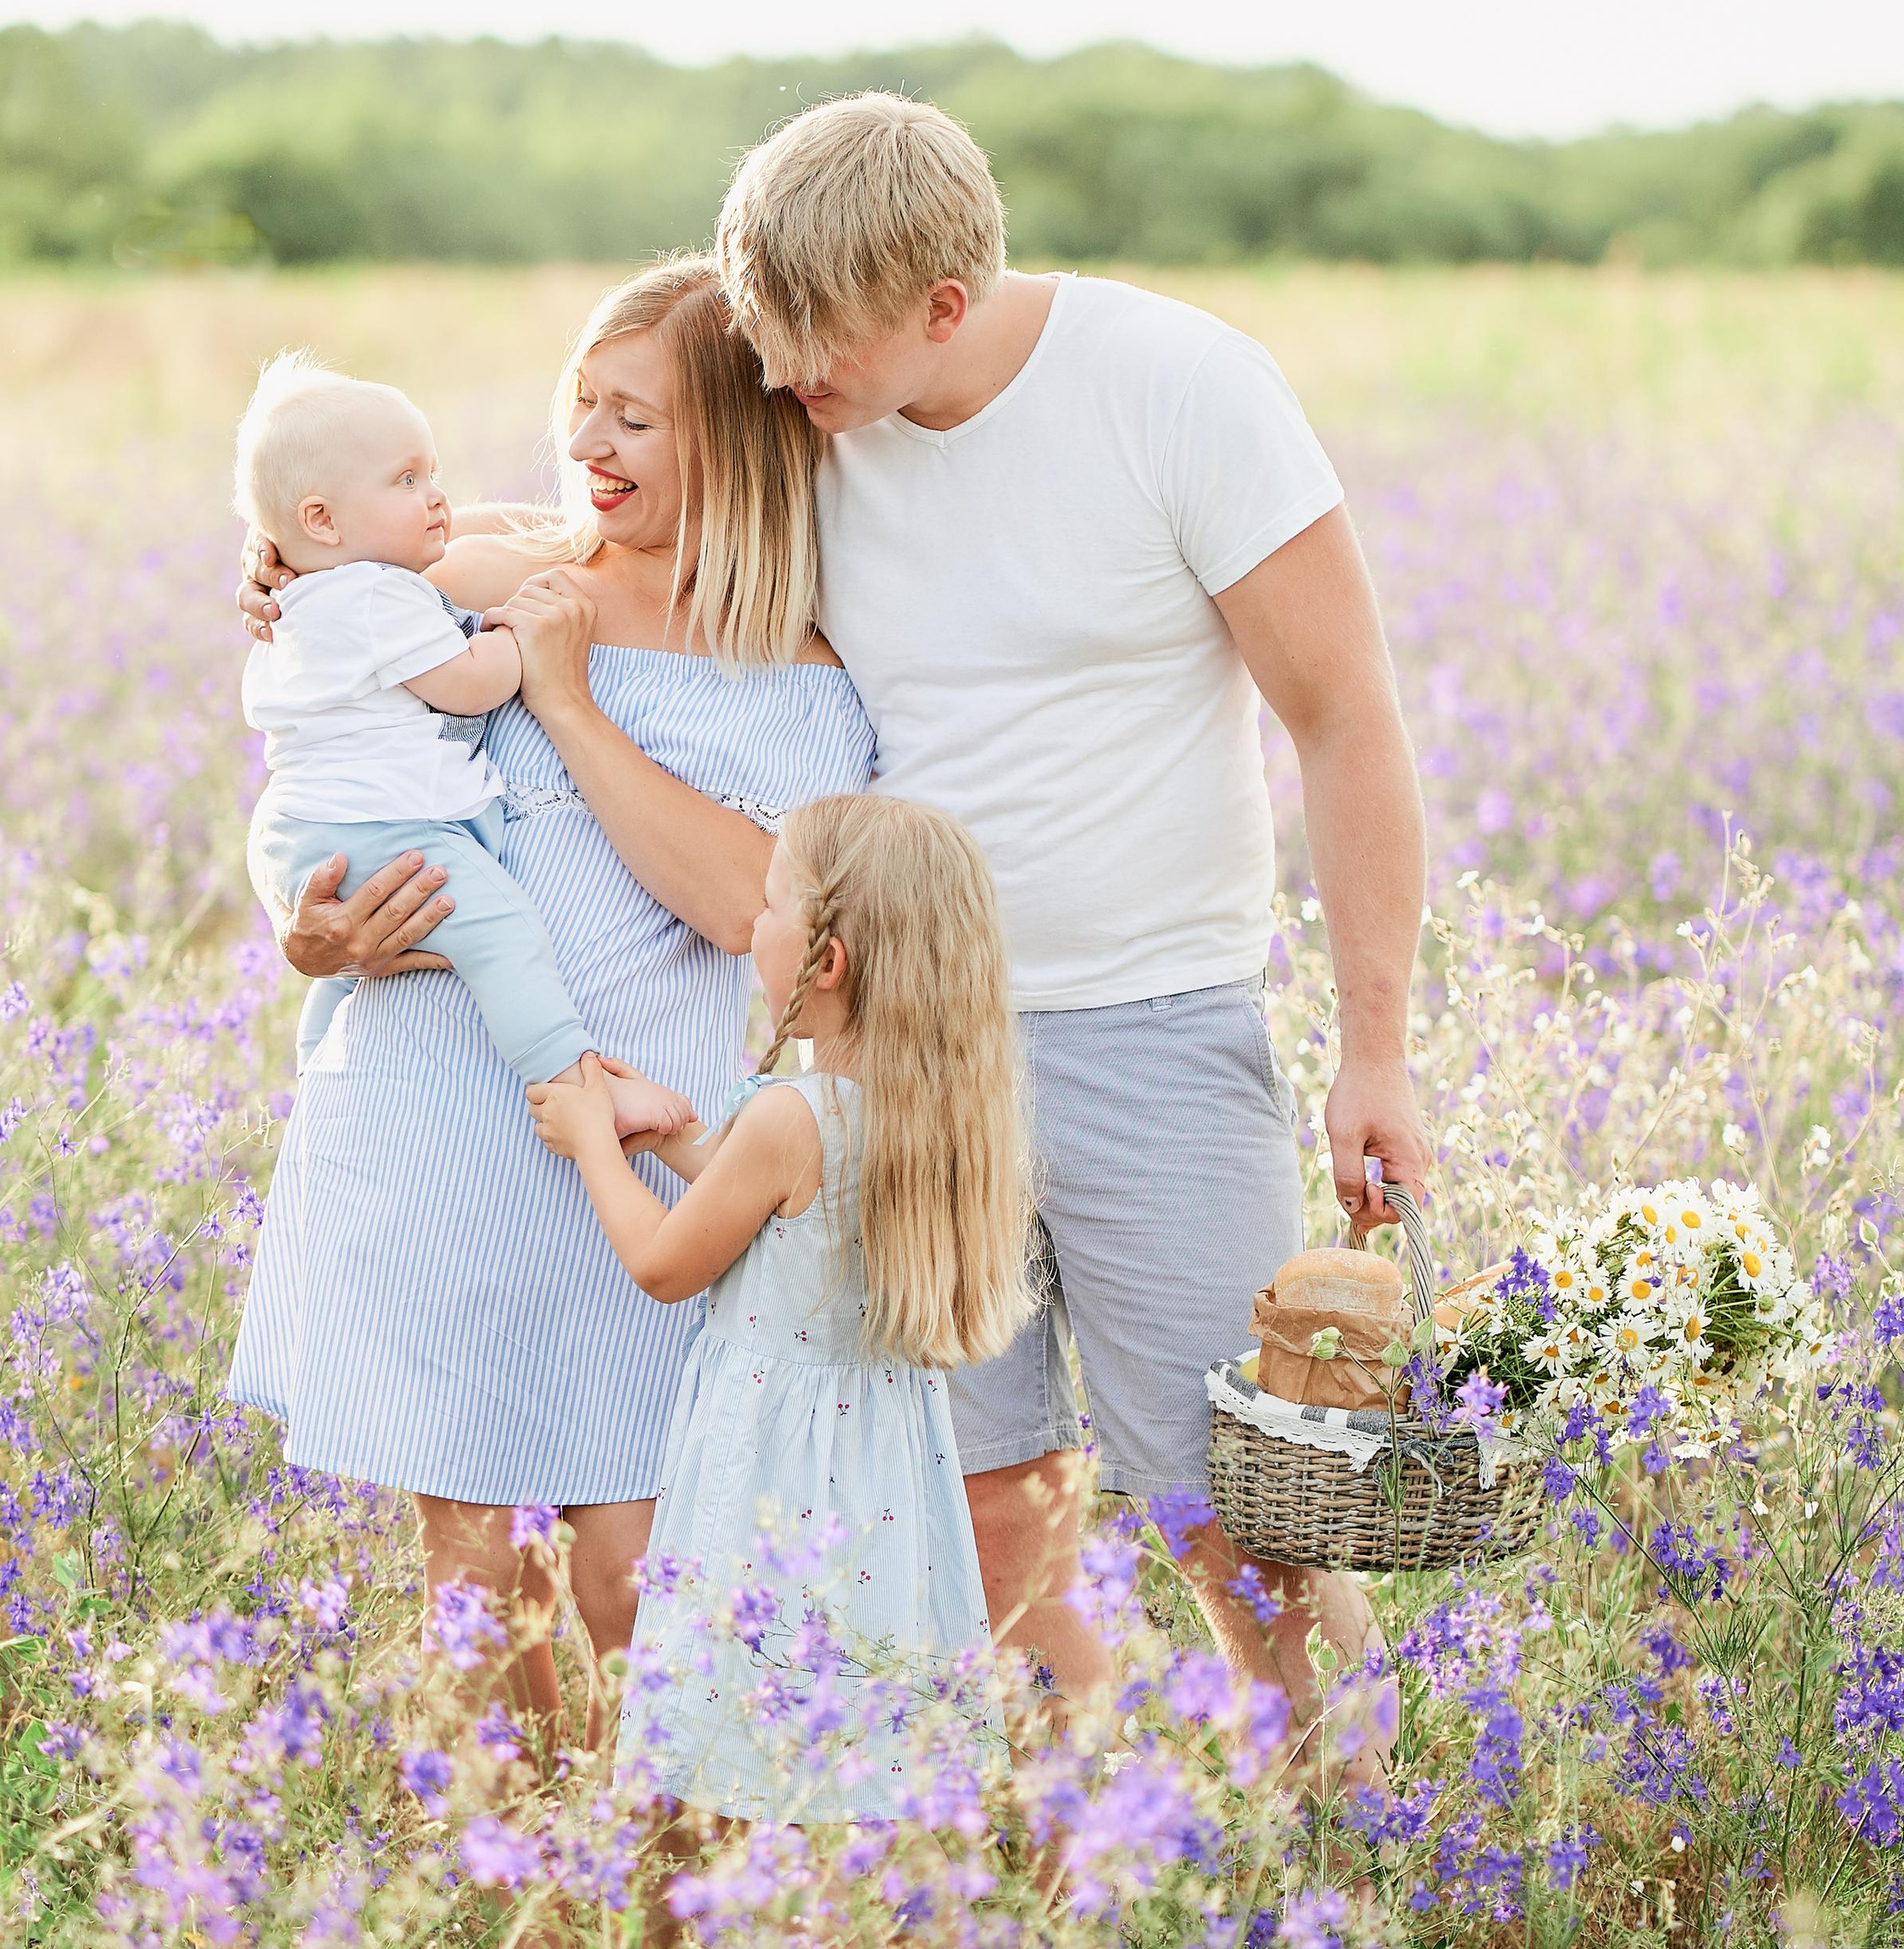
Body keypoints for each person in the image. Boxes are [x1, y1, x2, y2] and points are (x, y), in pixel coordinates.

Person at [714, 93, 1431, 1779]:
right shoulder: (806, 408)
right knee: (969, 1509)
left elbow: (1343, 721)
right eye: (761, 341)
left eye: (809, 348)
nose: (775, 384)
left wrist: (1373, 1047)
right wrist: (320, 576)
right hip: (903, 1058)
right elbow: (606, 511)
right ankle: (1065, 1878)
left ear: (941, 306)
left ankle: (1354, 1882)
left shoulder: (1179, 390)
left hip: (1154, 1033)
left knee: (1242, 1515)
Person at [228, 260, 875, 1742]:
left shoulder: (804, 666)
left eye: (634, 419)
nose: (588, 443)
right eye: (580, 402)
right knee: (476, 1579)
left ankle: (661, 1932)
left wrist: (569, 697)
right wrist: (308, 931)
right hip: (442, 1118)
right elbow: (322, 782)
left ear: (736, 439)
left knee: (636, 1577)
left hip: (650, 1152)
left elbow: (744, 900)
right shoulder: (467, 587)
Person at [526, 791, 1024, 1824]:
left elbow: (666, 1262)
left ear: (825, 960)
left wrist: (587, 1140)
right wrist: (676, 1140)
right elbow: (798, 1216)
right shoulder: (929, 1110)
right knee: (862, 1780)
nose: (753, 924)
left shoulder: (795, 1114)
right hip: (884, 1485)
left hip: (778, 1484)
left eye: (770, 903)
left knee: (761, 1741)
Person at [233, 348, 690, 1150]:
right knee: (502, 932)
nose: (437, 496)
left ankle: (317, 1099)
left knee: (344, 987)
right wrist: (526, 633)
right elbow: (474, 685)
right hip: (384, 831)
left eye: (432, 472)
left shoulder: (314, 594)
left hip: (308, 830)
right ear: (321, 522)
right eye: (406, 480)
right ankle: (574, 1084)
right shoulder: (377, 595)